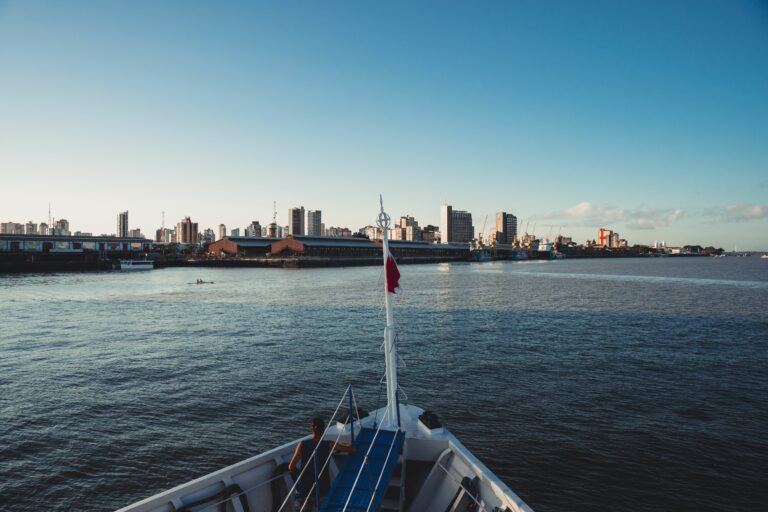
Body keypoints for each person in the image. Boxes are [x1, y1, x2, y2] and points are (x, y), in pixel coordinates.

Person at [288, 416, 355, 508]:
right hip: (322, 489)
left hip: (304, 490)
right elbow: (351, 449)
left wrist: (301, 476)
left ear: (312, 429)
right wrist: (349, 447)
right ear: (323, 430)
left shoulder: (302, 445)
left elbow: (291, 467)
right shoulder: (329, 444)